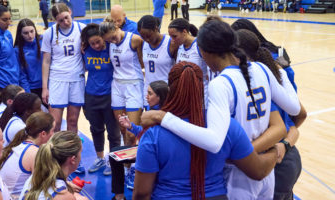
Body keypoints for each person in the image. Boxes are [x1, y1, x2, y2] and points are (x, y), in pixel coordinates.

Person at [133, 62, 279, 200]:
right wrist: (277, 150)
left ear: (170, 89)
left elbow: (141, 193)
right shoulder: (227, 126)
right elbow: (258, 171)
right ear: (203, 88)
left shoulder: (154, 134)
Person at [235, 29, 307, 200]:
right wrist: (287, 140)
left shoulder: (258, 85)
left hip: (276, 162)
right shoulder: (274, 73)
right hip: (288, 158)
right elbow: (298, 118)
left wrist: (281, 141)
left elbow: (295, 116)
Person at [110, 80, 169, 198]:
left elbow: (152, 136)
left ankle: (120, 195)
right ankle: (120, 195)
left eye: (150, 94)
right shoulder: (151, 108)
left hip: (154, 151)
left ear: (160, 97)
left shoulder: (162, 114)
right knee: (114, 153)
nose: (146, 96)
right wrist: (130, 126)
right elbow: (144, 131)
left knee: (114, 155)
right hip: (146, 147)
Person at [80, 23, 121, 175]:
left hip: (110, 95)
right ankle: (100, 158)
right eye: (93, 43)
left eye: (99, 41)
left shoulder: (112, 48)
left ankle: (113, 160)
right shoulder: (85, 50)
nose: (96, 45)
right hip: (91, 95)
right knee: (96, 129)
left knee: (113, 131)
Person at [99, 17, 144, 147]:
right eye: (109, 40)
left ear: (117, 28)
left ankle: (139, 161)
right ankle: (127, 165)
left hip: (133, 85)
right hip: (117, 86)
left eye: (113, 37)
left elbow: (142, 62)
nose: (112, 41)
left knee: (132, 132)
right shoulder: (108, 42)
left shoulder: (135, 40)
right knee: (123, 130)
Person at [41, 3, 85, 133]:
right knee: (55, 123)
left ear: (70, 12)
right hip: (57, 80)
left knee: (72, 121)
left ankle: (71, 151)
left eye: (66, 17)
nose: (65, 22)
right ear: (55, 20)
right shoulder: (49, 33)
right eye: (61, 20)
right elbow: (46, 61)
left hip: (77, 79)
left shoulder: (82, 29)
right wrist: (45, 88)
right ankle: (54, 153)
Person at [0, 112, 55, 198]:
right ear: (43, 134)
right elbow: (42, 187)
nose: (53, 134)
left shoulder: (21, 143)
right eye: (53, 130)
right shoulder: (35, 153)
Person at [19, 131, 87, 200]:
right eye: (80, 152)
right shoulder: (64, 196)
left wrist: (67, 184)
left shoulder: (36, 176)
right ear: (73, 159)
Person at [168, 18, 217, 105]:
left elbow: (211, 73)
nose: (172, 40)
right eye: (171, 37)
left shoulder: (200, 46)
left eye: (174, 36)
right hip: (184, 96)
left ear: (184, 32)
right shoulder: (179, 46)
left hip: (200, 97)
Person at [137, 15, 177, 108]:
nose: (146, 39)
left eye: (148, 36)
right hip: (149, 93)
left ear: (156, 29)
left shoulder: (171, 43)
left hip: (165, 93)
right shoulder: (144, 44)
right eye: (143, 37)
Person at [14, 18, 44, 102]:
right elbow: (21, 75)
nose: (30, 35)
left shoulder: (43, 41)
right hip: (32, 89)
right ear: (20, 34)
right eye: (25, 33)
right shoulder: (17, 50)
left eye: (32, 31)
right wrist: (28, 94)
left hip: (48, 86)